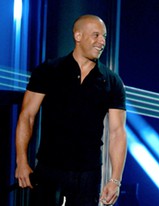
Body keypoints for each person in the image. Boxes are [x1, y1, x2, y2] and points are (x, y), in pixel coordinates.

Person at [14, 14, 127, 206]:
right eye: (96, 35)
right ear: (78, 36)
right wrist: (21, 161)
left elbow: (117, 133)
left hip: (87, 174)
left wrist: (115, 180)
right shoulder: (48, 70)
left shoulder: (112, 81)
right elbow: (27, 116)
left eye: (104, 36)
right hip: (49, 168)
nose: (102, 42)